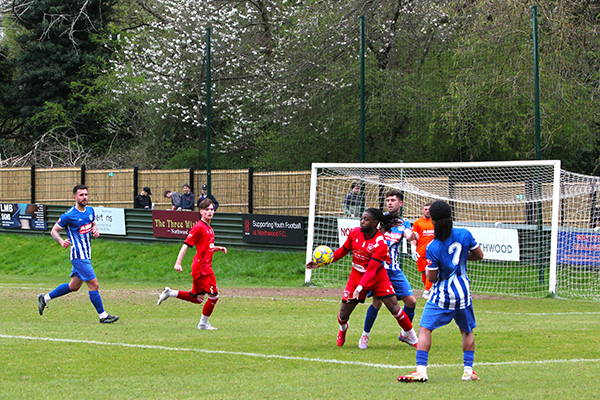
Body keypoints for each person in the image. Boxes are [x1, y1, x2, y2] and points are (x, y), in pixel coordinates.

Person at [306, 207, 418, 348]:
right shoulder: (355, 233)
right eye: (362, 219)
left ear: (375, 222)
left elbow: (371, 270)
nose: (362, 221)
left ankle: (414, 340)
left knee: (395, 308)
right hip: (356, 277)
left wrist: (360, 288)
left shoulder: (380, 242)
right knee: (343, 314)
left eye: (366, 219)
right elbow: (343, 251)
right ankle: (343, 328)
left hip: (378, 278)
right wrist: (322, 262)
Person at [398, 200, 484, 383]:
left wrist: (429, 268)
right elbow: (479, 255)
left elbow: (431, 276)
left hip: (443, 295)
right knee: (466, 330)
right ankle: (468, 371)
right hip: (463, 294)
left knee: (425, 328)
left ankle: (421, 370)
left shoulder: (433, 246)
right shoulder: (464, 234)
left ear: (433, 221)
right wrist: (461, 258)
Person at [37, 185, 119, 324]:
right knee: (94, 284)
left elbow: (93, 224)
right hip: (78, 256)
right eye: (81, 195)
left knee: (74, 286)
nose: (84, 197)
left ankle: (44, 299)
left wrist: (95, 230)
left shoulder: (90, 210)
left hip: (87, 254)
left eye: (86, 194)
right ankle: (103, 316)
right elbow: (54, 231)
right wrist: (61, 241)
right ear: (75, 197)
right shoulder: (69, 215)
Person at [358, 190, 418, 349]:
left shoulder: (403, 224)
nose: (390, 203)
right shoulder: (378, 220)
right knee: (377, 302)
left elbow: (408, 233)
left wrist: (412, 237)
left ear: (400, 203)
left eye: (393, 200)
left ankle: (405, 333)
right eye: (388, 200)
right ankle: (365, 335)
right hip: (379, 269)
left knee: (411, 301)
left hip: (394, 270)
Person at [157, 198, 227, 330]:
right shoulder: (199, 227)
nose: (210, 212)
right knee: (214, 296)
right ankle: (203, 324)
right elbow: (186, 245)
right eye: (207, 210)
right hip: (203, 268)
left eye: (212, 209)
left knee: (198, 298)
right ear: (201, 212)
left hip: (202, 267)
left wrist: (218, 248)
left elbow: (206, 247)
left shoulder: (209, 228)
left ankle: (170, 293)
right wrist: (178, 263)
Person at [411, 202, 435, 299]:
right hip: (421, 251)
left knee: (431, 270)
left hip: (433, 252)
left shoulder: (435, 221)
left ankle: (426, 291)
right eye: (425, 209)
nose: (427, 211)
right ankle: (428, 289)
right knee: (423, 272)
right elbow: (413, 237)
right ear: (422, 210)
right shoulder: (417, 222)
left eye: (429, 209)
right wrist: (413, 249)